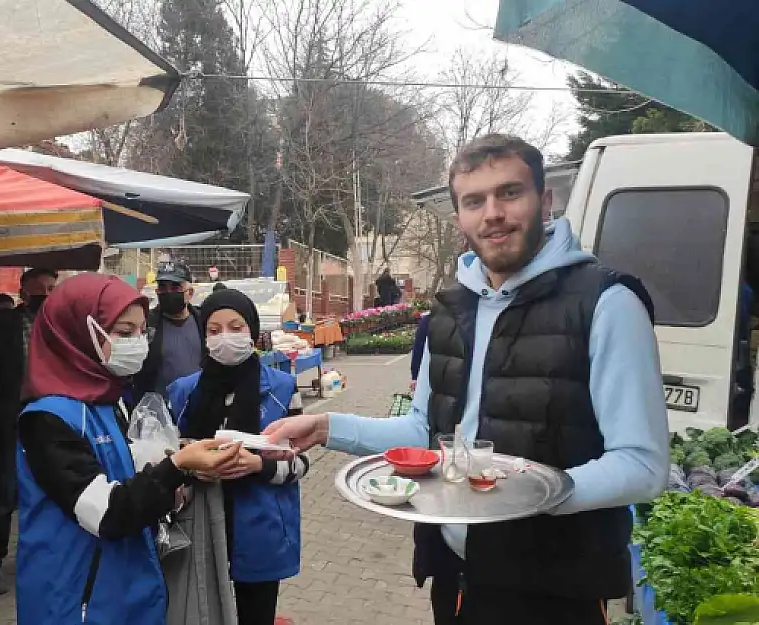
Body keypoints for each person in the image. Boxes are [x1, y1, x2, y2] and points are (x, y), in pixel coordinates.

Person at [264, 134, 670, 625]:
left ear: (545, 202)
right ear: (459, 217)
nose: (492, 213)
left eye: (509, 193)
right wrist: (327, 428)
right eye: (474, 201)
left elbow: (642, 466)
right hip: (454, 579)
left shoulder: (606, 304)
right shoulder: (451, 310)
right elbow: (424, 434)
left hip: (554, 593)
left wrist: (523, 492)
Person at [15, 272, 245, 625]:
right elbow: (108, 513)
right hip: (76, 599)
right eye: (123, 333)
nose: (138, 343)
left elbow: (122, 464)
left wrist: (175, 457)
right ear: (76, 333)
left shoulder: (108, 399)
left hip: (126, 587)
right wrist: (177, 466)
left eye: (141, 332)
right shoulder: (46, 419)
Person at [166, 289, 309, 625]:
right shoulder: (183, 392)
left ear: (253, 331)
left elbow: (300, 462)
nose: (224, 338)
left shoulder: (283, 388)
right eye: (214, 331)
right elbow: (170, 456)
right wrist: (191, 466)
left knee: (255, 613)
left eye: (235, 327)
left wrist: (258, 465)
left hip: (260, 524)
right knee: (200, 610)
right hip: (199, 522)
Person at [0, 267, 58, 591]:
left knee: (48, 490)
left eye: (51, 288)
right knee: (2, 495)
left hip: (48, 421)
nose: (45, 296)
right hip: (7, 424)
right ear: (23, 294)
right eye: (38, 291)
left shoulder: (58, 327)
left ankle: (44, 558)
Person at [135, 261, 203, 399]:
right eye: (162, 287)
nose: (168, 292)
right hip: (158, 409)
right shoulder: (146, 323)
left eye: (175, 287)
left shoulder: (205, 321)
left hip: (199, 405)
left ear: (189, 293)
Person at [409, 311, 431, 393]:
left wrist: (415, 376)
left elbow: (418, 349)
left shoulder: (428, 319)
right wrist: (415, 375)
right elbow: (418, 349)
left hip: (430, 375)